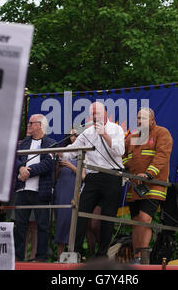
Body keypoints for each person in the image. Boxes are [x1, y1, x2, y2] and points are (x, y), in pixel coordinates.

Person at [62, 102, 125, 259]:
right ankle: (75, 251)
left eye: (98, 113)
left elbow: (120, 150)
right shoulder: (87, 132)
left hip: (112, 176)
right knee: (81, 212)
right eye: (92, 114)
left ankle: (102, 253)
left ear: (105, 114)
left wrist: (104, 134)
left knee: (107, 216)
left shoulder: (116, 129)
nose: (95, 116)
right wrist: (59, 153)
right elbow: (73, 150)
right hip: (92, 177)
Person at [123, 107, 173, 264]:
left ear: (152, 119)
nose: (140, 121)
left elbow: (162, 156)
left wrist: (148, 174)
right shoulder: (133, 136)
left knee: (144, 219)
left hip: (153, 185)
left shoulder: (161, 132)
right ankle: (136, 257)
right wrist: (127, 171)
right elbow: (123, 156)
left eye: (143, 118)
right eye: (138, 118)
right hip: (134, 186)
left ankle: (142, 257)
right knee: (136, 220)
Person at [14, 114, 56, 262]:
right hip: (22, 190)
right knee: (20, 225)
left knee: (43, 225)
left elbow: (48, 164)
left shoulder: (51, 143)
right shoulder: (23, 143)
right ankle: (18, 257)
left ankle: (42, 257)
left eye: (31, 123)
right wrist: (20, 169)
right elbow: (15, 159)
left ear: (40, 125)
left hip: (40, 191)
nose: (29, 126)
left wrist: (28, 171)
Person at [54, 129, 86, 258]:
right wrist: (59, 167)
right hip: (61, 191)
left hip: (75, 192)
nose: (74, 137)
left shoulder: (85, 153)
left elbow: (84, 176)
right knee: (61, 222)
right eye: (71, 135)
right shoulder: (64, 152)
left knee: (72, 222)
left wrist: (70, 166)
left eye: (77, 135)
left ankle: (73, 255)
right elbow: (55, 177)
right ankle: (59, 256)